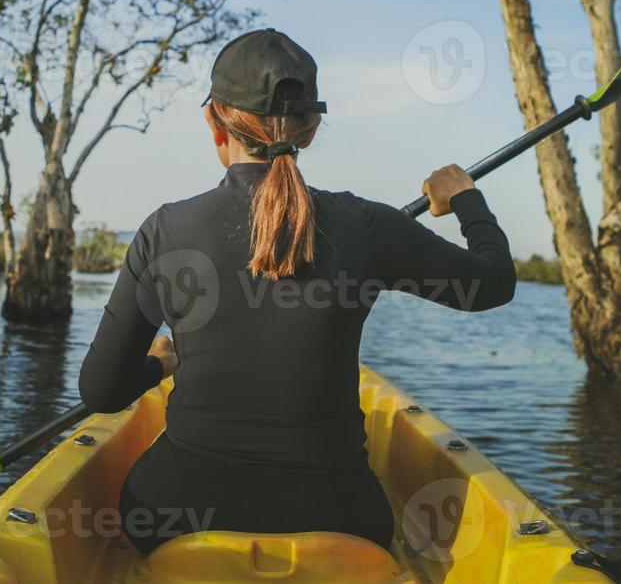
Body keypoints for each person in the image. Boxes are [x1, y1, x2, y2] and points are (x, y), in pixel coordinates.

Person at [77, 27, 516, 555]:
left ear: (214, 123)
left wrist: (160, 366)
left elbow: (101, 393)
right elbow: (493, 284)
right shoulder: (366, 224)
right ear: (310, 128)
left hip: (172, 519)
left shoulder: (164, 231)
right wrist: (466, 199)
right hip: (344, 524)